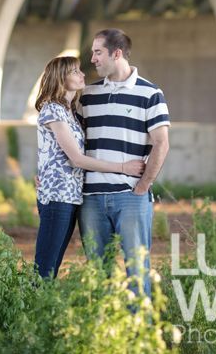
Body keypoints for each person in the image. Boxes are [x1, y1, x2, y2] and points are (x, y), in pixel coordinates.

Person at [34, 55, 145, 279]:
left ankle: (42, 311)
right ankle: (31, 310)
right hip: (57, 197)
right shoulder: (52, 110)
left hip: (71, 196)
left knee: (52, 265)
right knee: (45, 268)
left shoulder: (71, 113)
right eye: (75, 71)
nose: (82, 74)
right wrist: (123, 167)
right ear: (60, 78)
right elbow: (76, 159)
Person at [79, 29, 170, 297]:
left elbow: (161, 143)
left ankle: (140, 333)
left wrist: (144, 185)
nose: (92, 59)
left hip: (131, 197)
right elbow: (70, 138)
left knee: (137, 271)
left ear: (116, 53)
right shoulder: (87, 95)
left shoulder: (150, 93)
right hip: (91, 198)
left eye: (97, 52)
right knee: (98, 272)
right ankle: (103, 334)